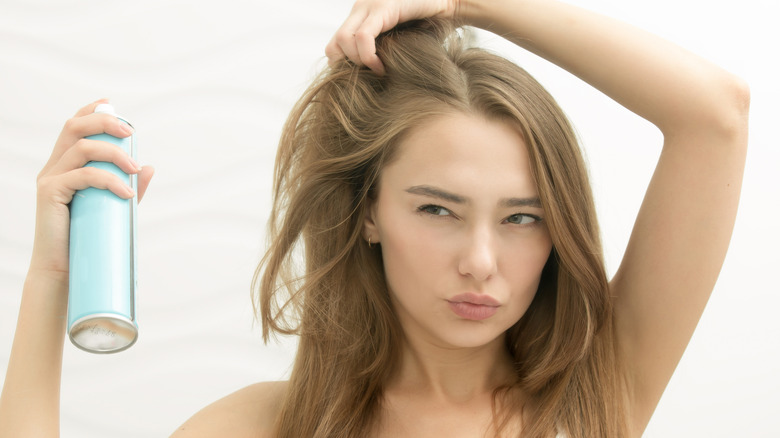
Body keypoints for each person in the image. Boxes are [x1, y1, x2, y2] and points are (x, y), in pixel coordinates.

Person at [0, 0, 749, 437]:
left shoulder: (590, 401)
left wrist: (466, 1)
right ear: (369, 212)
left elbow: (716, 114)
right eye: (438, 210)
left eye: (523, 218)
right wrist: (50, 278)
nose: (481, 262)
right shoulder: (266, 428)